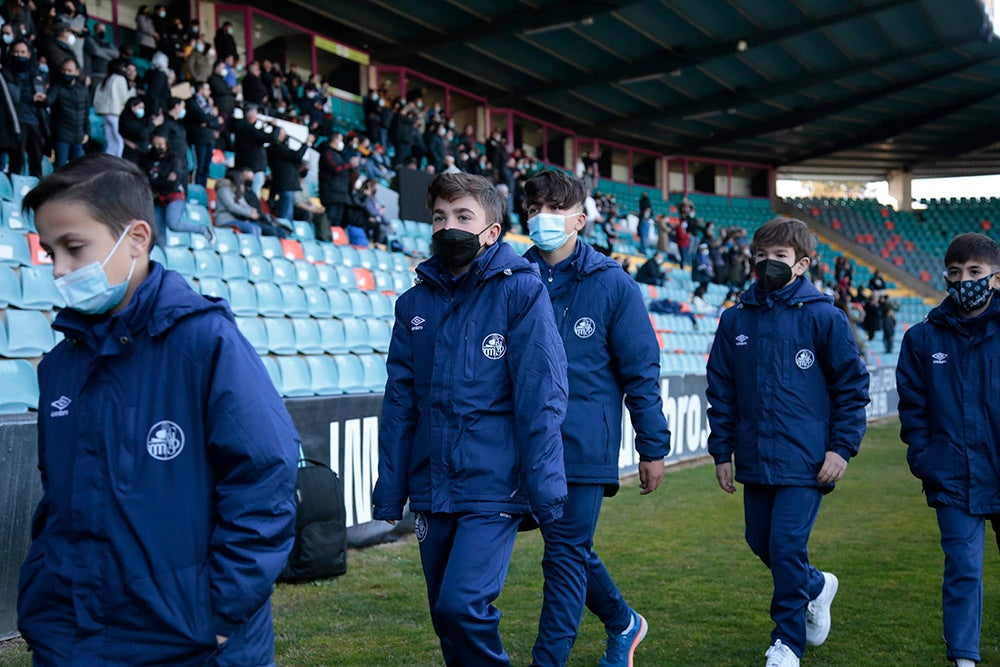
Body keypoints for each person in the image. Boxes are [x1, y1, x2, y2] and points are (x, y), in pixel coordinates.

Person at [16, 154, 298, 667]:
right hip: (72, 638)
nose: (57, 268)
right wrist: (46, 601)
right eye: (49, 250)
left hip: (191, 642)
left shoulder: (205, 341)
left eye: (73, 248)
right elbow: (60, 501)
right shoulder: (59, 365)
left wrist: (219, 614)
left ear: (138, 238)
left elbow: (265, 478)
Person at [372, 172, 568, 667]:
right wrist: (392, 488)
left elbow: (541, 396)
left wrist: (545, 491)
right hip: (432, 487)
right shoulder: (413, 304)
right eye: (440, 217)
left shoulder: (521, 293)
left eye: (463, 217)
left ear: (492, 232)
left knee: (463, 607)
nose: (448, 227)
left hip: (493, 485)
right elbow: (400, 404)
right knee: (446, 618)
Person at [521, 170, 670, 667]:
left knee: (562, 556)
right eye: (536, 206)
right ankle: (625, 622)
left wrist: (653, 447)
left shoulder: (613, 284)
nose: (543, 216)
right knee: (573, 548)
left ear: (580, 219)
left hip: (584, 445)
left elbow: (641, 371)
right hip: (522, 445)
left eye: (555, 207)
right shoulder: (510, 277)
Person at [706, 217, 870, 667]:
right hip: (755, 456)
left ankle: (787, 643)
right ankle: (817, 586)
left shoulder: (825, 317)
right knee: (760, 541)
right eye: (761, 255)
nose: (767, 263)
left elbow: (852, 389)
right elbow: (720, 390)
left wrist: (841, 448)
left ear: (802, 264)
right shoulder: (735, 319)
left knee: (785, 546)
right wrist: (722, 451)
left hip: (807, 459)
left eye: (779, 257)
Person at [896, 232, 1000, 667]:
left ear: (996, 279)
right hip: (952, 475)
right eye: (955, 273)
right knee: (963, 569)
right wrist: (926, 458)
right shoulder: (922, 339)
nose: (964, 281)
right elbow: (913, 410)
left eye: (975, 272)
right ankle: (964, 658)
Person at [143, 130, 213, 245]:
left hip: (173, 195)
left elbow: (172, 183)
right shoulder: (148, 158)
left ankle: (203, 229)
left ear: (166, 144)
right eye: (155, 144)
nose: (157, 147)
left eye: (160, 144)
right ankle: (162, 259)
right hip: (157, 198)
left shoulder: (174, 159)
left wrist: (156, 181)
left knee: (174, 224)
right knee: (157, 233)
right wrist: (163, 180)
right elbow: (145, 180)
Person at [1, 39, 48, 177]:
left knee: (36, 161)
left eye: (22, 52)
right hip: (16, 123)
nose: (19, 55)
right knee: (16, 162)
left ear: (28, 54)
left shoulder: (36, 74)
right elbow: (10, 97)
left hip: (35, 121)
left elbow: (45, 96)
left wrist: (43, 97)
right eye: (16, 52)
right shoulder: (5, 73)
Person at [47, 56, 89, 166]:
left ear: (77, 72)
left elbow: (86, 114)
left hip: (78, 136)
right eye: (64, 70)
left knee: (78, 169)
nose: (66, 73)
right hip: (61, 136)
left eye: (69, 71)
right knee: (61, 167)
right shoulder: (56, 87)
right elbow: (48, 101)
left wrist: (87, 132)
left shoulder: (83, 90)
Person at [266, 128, 311, 222]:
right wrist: (306, 143)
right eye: (283, 134)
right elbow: (296, 155)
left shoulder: (281, 148)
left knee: (288, 210)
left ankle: (286, 228)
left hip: (287, 183)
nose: (285, 136)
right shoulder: (276, 148)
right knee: (286, 211)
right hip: (284, 183)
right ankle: (284, 229)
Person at [92, 57, 133, 157]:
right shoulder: (120, 79)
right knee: (119, 141)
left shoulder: (105, 80)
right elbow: (125, 98)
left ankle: (108, 162)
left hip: (105, 114)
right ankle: (116, 162)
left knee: (110, 143)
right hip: (115, 114)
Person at [317, 131, 357, 229]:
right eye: (340, 139)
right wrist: (349, 165)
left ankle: (334, 240)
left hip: (341, 193)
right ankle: (325, 239)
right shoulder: (327, 152)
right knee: (330, 220)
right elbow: (335, 168)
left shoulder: (339, 154)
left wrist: (351, 168)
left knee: (338, 221)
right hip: (331, 192)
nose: (341, 142)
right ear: (334, 139)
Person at [185, 81, 220, 186]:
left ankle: (202, 190)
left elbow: (217, 122)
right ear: (200, 90)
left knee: (206, 168)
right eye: (207, 89)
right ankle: (195, 190)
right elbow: (202, 117)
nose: (209, 92)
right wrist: (212, 118)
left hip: (209, 140)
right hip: (198, 139)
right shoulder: (192, 102)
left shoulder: (209, 104)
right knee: (198, 167)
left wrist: (208, 122)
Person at [232, 104, 271, 198]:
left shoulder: (243, 126)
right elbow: (268, 138)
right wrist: (276, 129)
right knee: (254, 191)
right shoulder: (247, 128)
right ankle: (253, 208)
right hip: (253, 166)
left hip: (248, 164)